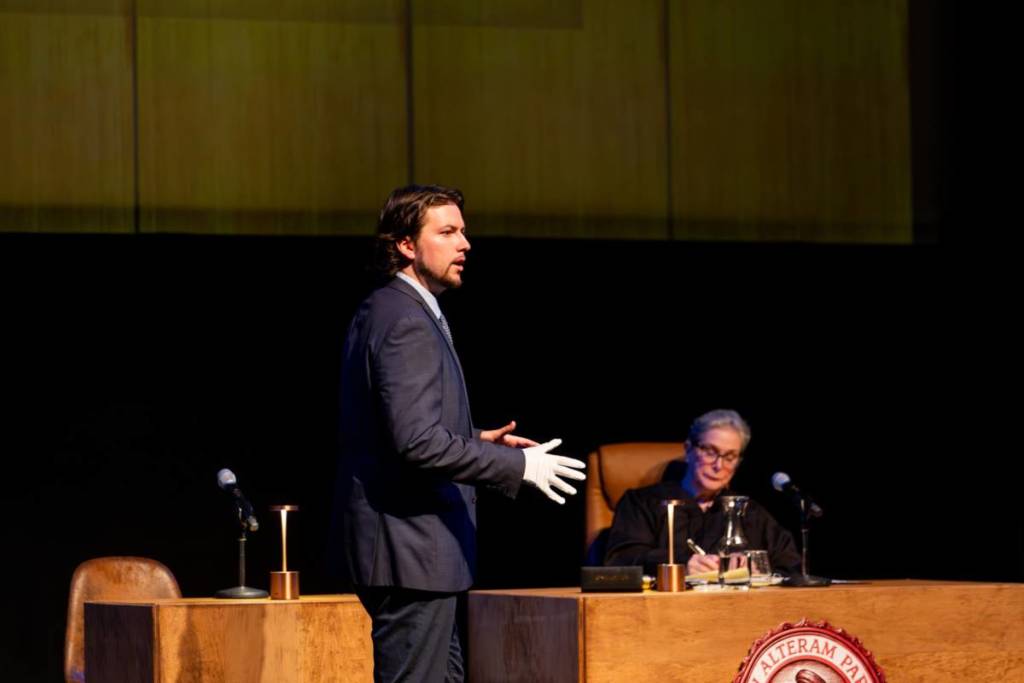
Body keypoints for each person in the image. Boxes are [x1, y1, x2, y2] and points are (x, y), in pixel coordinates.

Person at [331, 184, 586, 682]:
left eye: (463, 231)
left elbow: (393, 428)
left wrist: (475, 441)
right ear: (406, 245)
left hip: (419, 555)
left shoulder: (399, 308)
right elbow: (415, 441)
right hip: (411, 552)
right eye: (447, 232)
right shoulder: (404, 316)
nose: (464, 244)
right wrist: (520, 466)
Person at [604, 409, 799, 577]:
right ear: (689, 449)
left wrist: (759, 569)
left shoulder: (750, 512)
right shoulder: (643, 502)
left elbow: (791, 566)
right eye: (710, 451)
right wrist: (680, 565)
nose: (718, 465)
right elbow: (620, 561)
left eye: (730, 457)